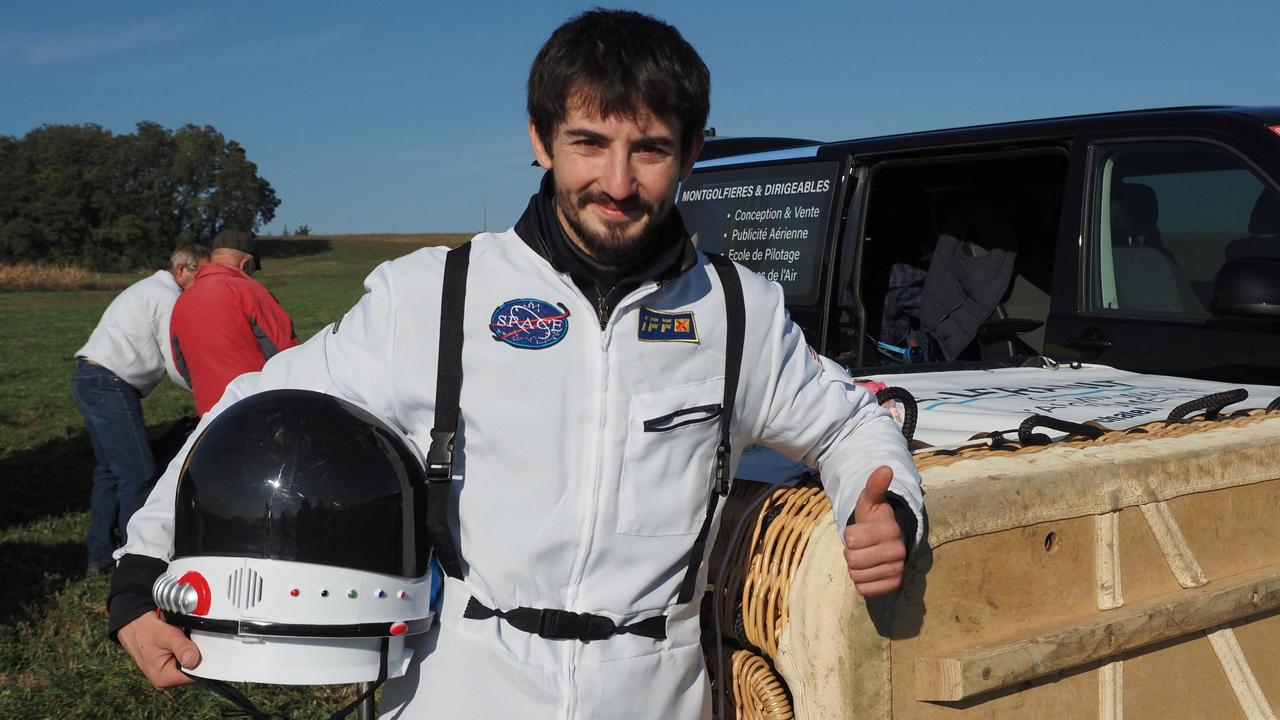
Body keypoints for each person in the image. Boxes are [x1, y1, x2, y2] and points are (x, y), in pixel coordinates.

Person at [109, 10, 924, 718]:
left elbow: (853, 422)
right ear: (539, 141)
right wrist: (140, 571)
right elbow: (258, 405)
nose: (617, 181)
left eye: (649, 150)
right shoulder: (435, 295)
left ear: (693, 150)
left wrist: (878, 506)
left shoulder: (738, 312)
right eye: (588, 143)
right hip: (462, 683)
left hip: (654, 691)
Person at [73, 243, 209, 576]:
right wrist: (208, 390)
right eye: (201, 274)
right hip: (110, 382)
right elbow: (175, 360)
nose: (204, 281)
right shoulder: (167, 297)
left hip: (90, 376)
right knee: (139, 473)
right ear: (182, 270)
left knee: (110, 473)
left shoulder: (152, 288)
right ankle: (132, 563)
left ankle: (99, 556)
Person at [168, 229, 299, 415]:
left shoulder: (181, 302)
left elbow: (181, 363)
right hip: (257, 406)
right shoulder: (251, 292)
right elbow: (286, 354)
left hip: (210, 414)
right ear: (246, 263)